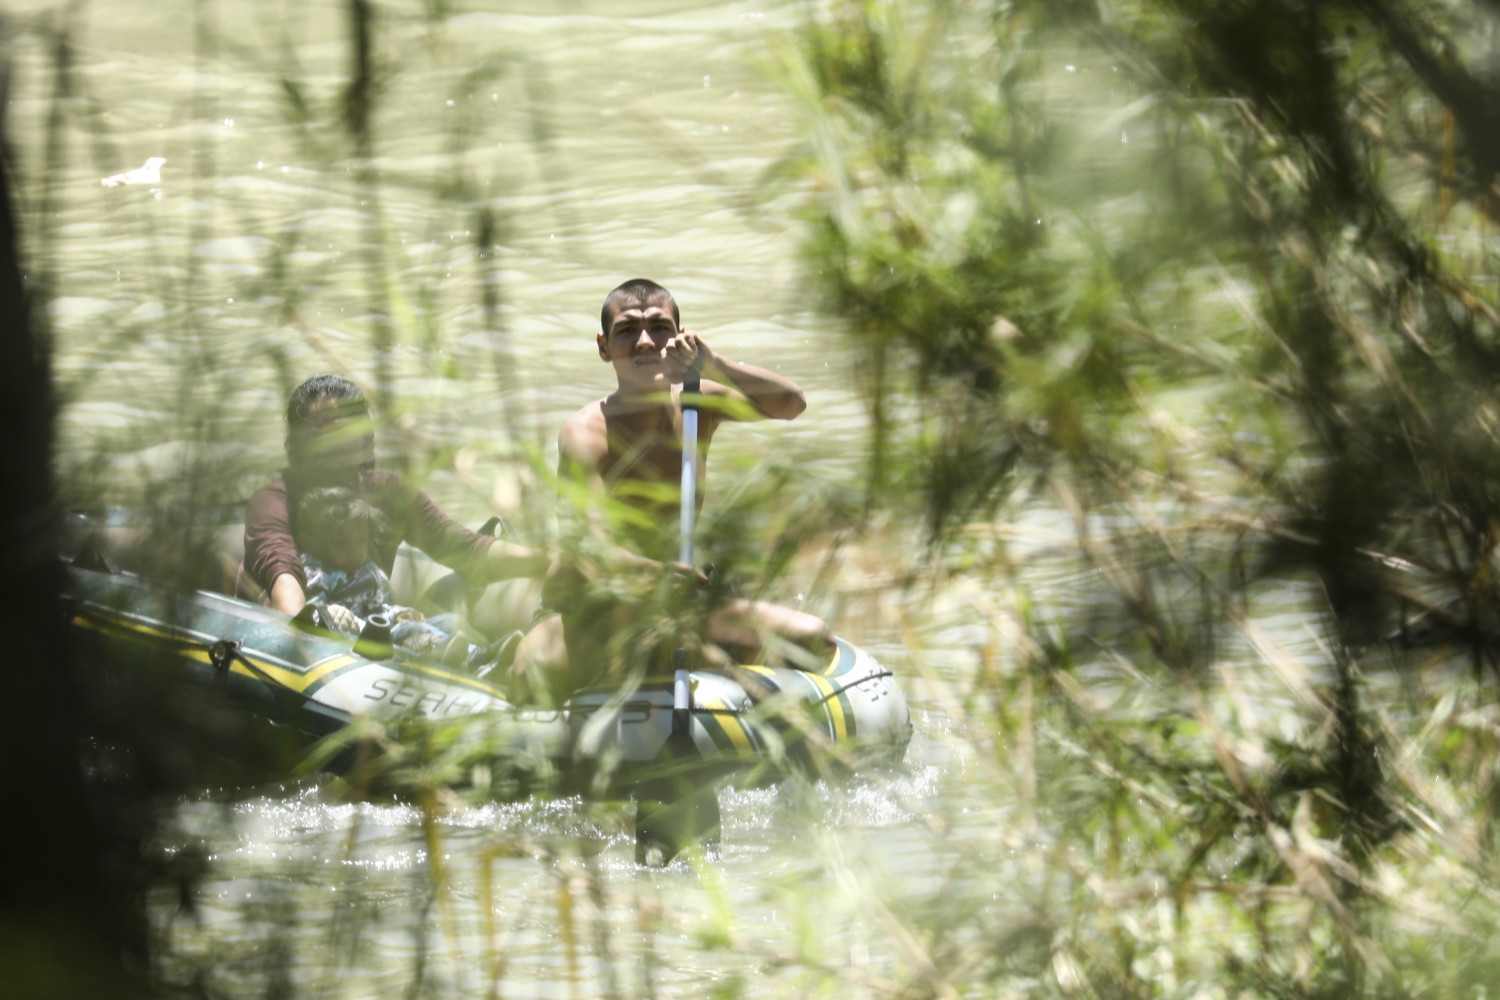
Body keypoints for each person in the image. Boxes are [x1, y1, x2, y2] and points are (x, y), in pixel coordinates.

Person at [510, 278, 833, 703]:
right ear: (604, 347)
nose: (645, 342)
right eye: (627, 331)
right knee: (537, 673)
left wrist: (715, 364)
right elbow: (590, 551)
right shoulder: (585, 433)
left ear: (680, 338)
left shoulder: (698, 402)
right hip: (598, 606)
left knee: (815, 639)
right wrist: (654, 575)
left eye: (659, 327)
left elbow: (792, 403)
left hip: (680, 599)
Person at [243, 374, 548, 617]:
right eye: (314, 437)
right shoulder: (273, 503)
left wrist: (553, 563)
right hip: (305, 632)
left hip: (367, 622)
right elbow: (284, 577)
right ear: (295, 447)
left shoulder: (390, 494)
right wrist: (303, 634)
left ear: (367, 442)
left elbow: (464, 548)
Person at [293, 487, 506, 670]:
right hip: (363, 638)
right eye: (343, 543)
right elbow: (314, 611)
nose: (355, 551)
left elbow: (382, 603)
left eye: (361, 541)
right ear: (310, 542)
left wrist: (398, 612)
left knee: (451, 621)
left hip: (385, 625)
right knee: (410, 631)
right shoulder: (315, 570)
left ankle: (488, 655)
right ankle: (470, 659)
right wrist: (334, 615)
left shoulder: (367, 568)